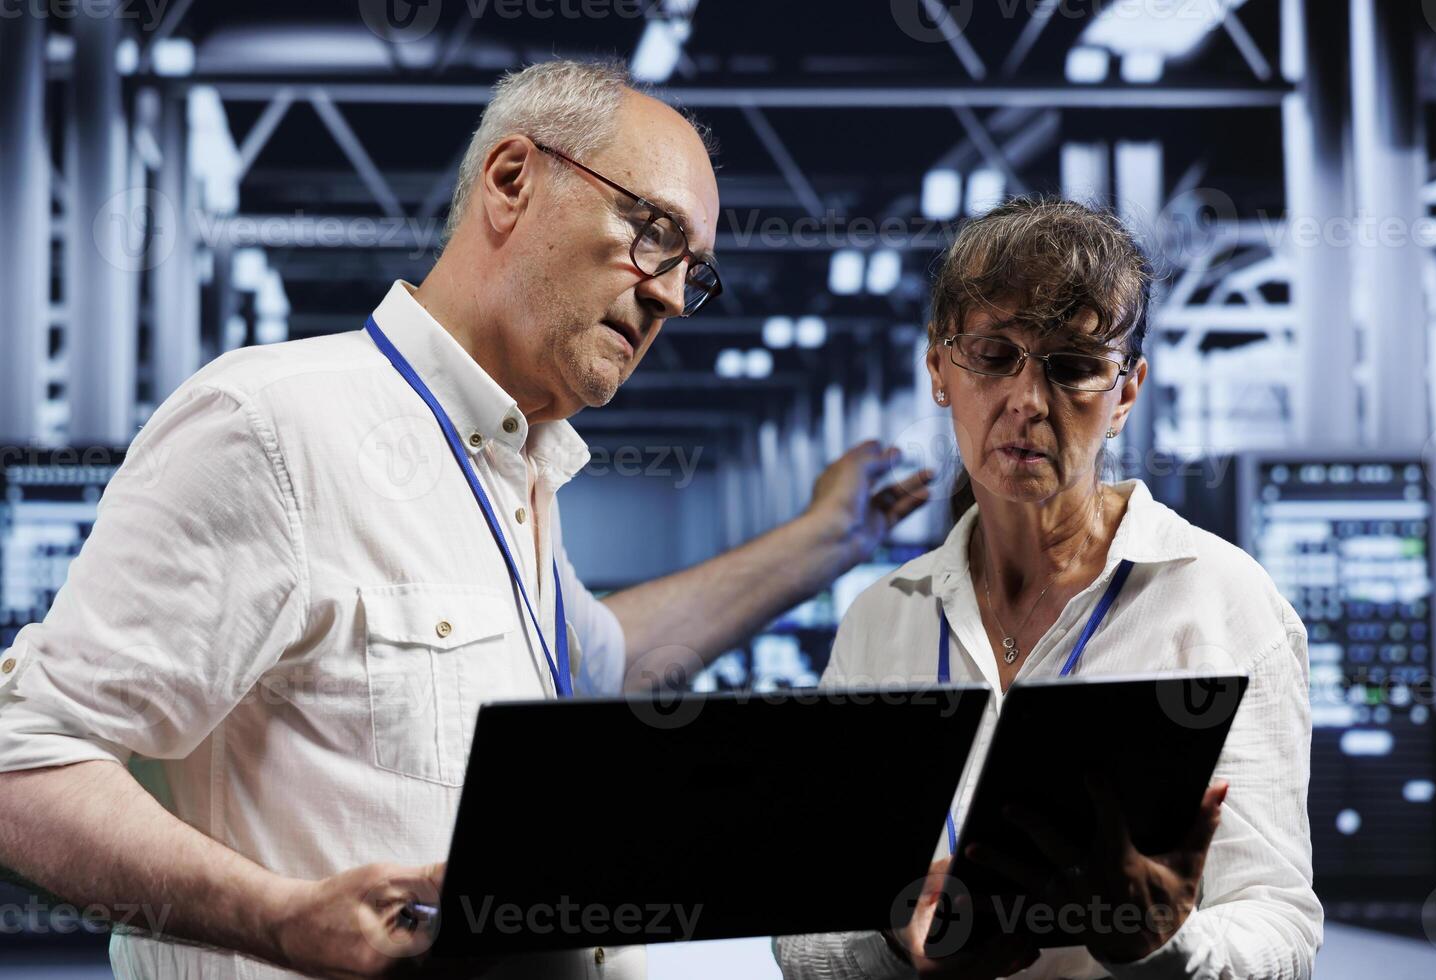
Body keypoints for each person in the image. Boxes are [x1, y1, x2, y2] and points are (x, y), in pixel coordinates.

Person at [0, 60, 930, 980]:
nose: (668, 295)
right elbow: (21, 763)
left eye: (693, 271)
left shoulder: (515, 477)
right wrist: (279, 920)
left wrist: (829, 540)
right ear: (512, 179)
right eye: (652, 233)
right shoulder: (277, 430)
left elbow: (611, 660)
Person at [774, 198, 1323, 980]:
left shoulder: (1224, 602)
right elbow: (804, 934)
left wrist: (1166, 949)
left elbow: (1283, 923)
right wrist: (900, 941)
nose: (1028, 401)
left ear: (1126, 392)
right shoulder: (882, 621)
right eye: (995, 355)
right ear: (940, 370)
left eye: (1072, 366)